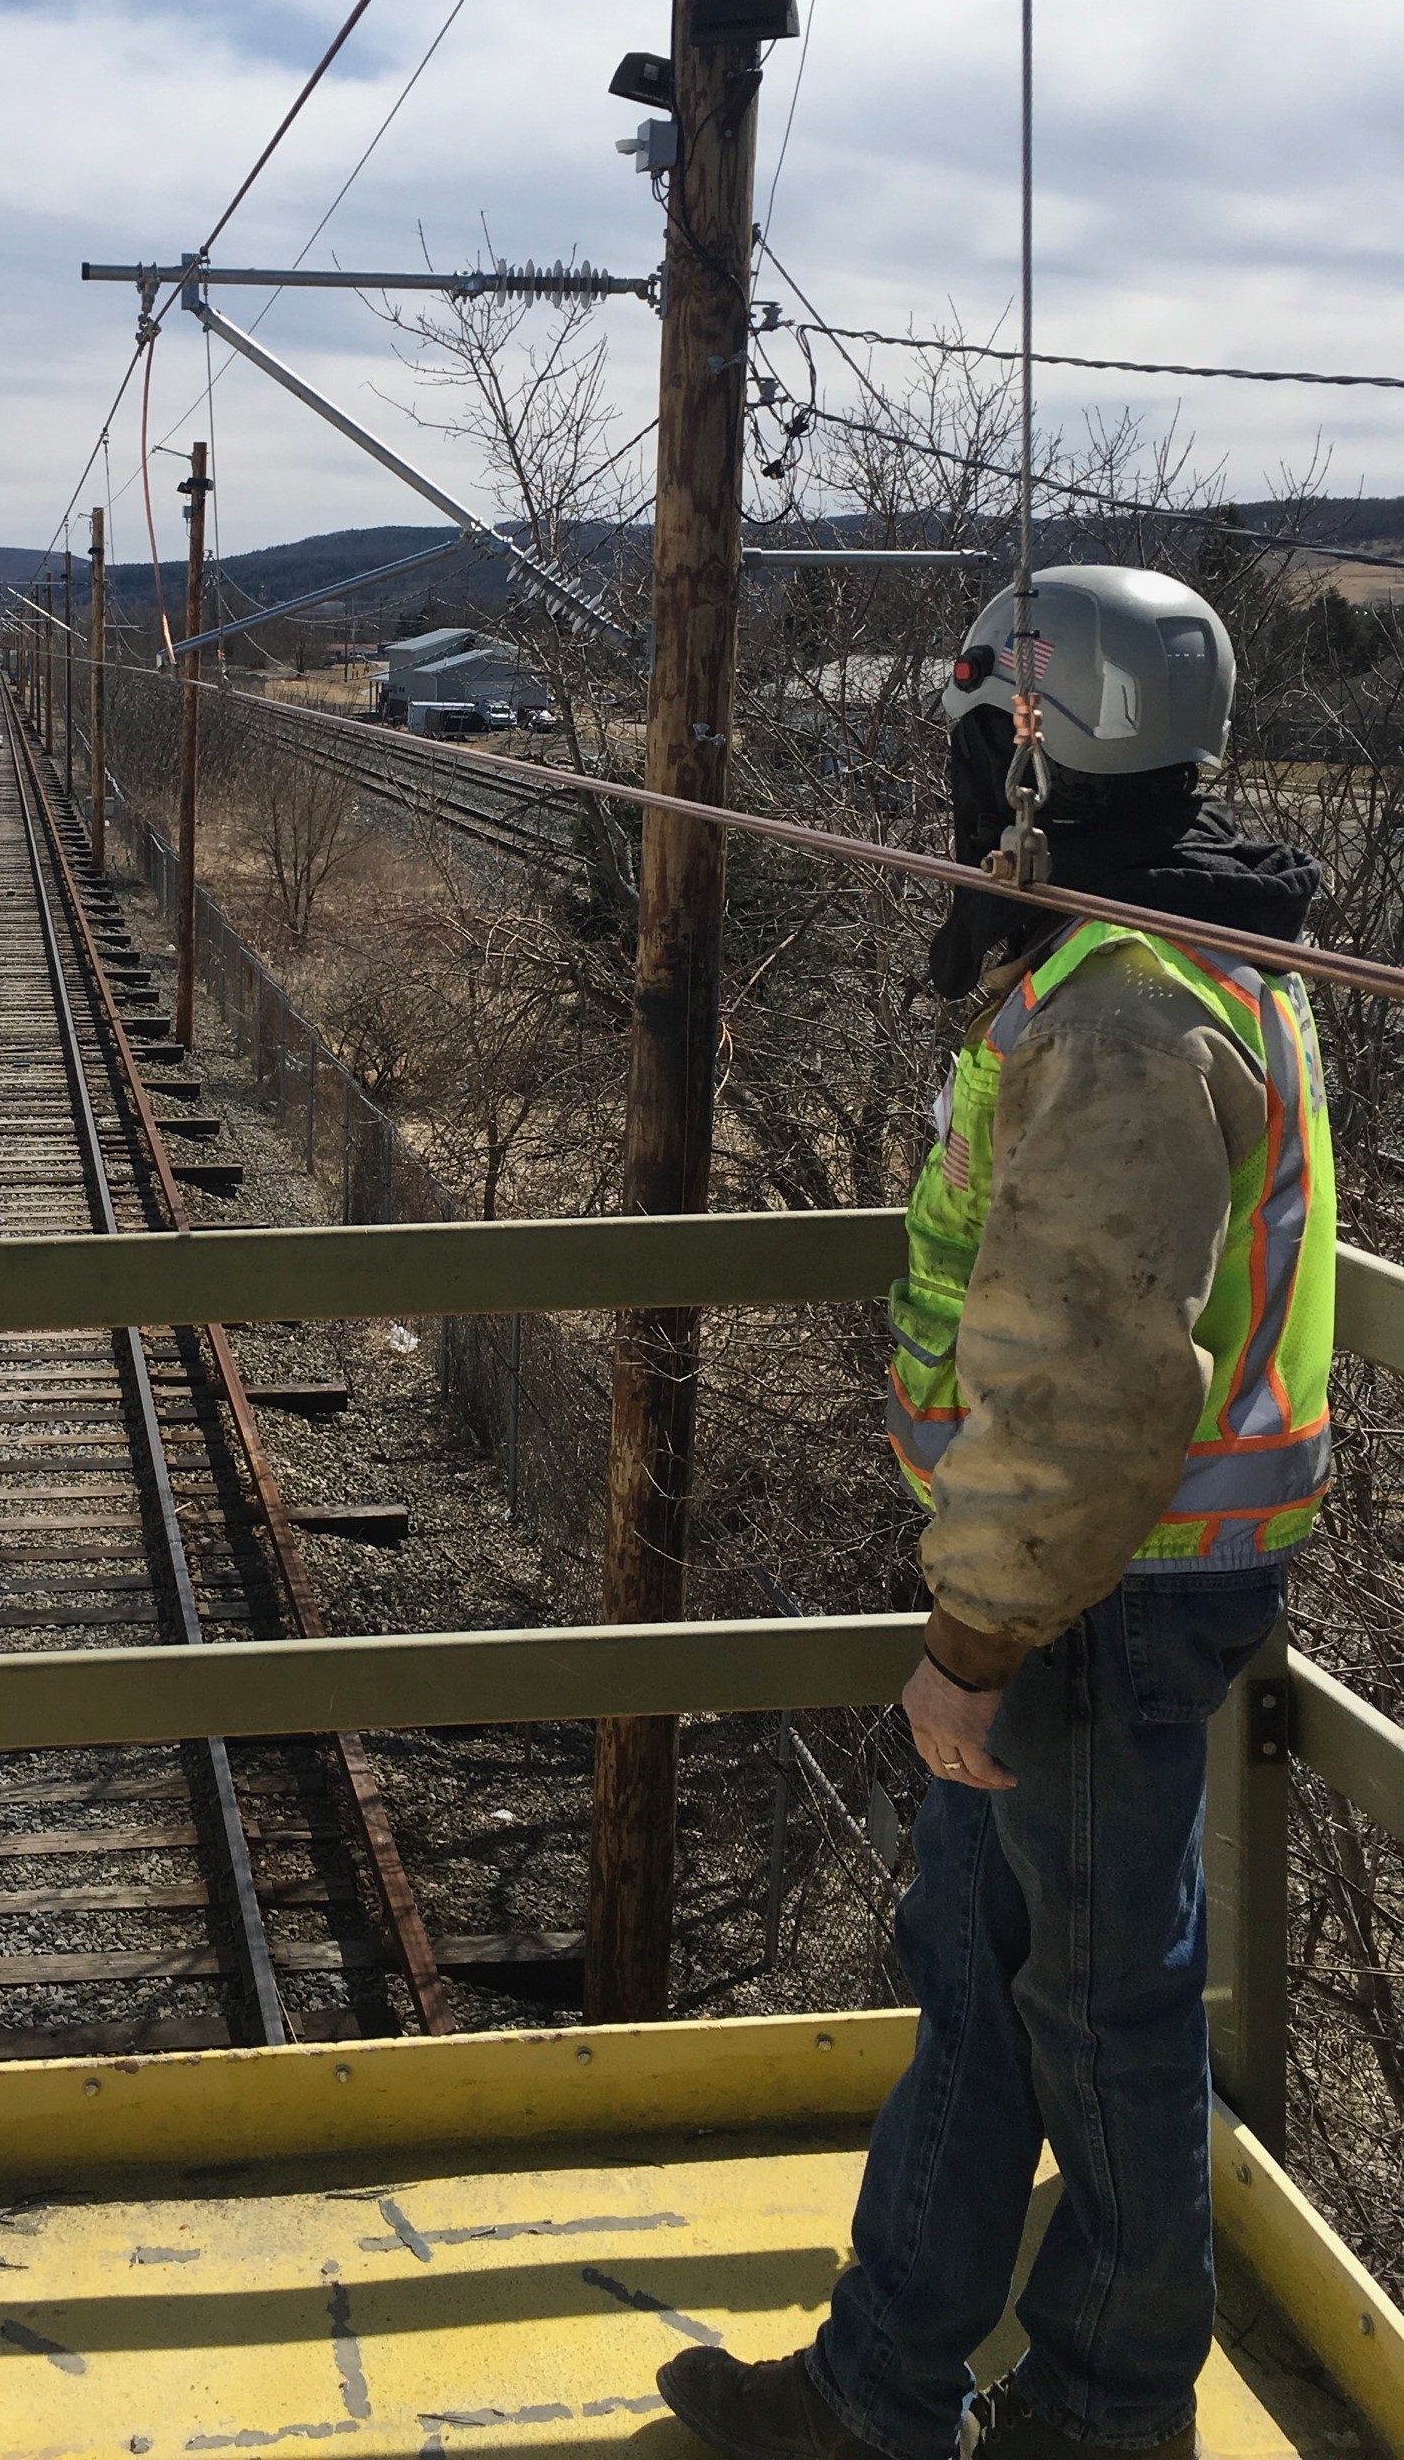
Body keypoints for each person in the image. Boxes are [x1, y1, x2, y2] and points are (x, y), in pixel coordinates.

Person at [658, 567, 1333, 2460]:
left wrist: (970, 1645)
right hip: (1077, 1588)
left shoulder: (1128, 1016)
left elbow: (1088, 1393)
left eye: (973, 738)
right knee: (976, 1980)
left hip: (1091, 1600)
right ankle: (883, 2386)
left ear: (1025, 750)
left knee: (1103, 2015)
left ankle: (1109, 2415)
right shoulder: (1186, 958)